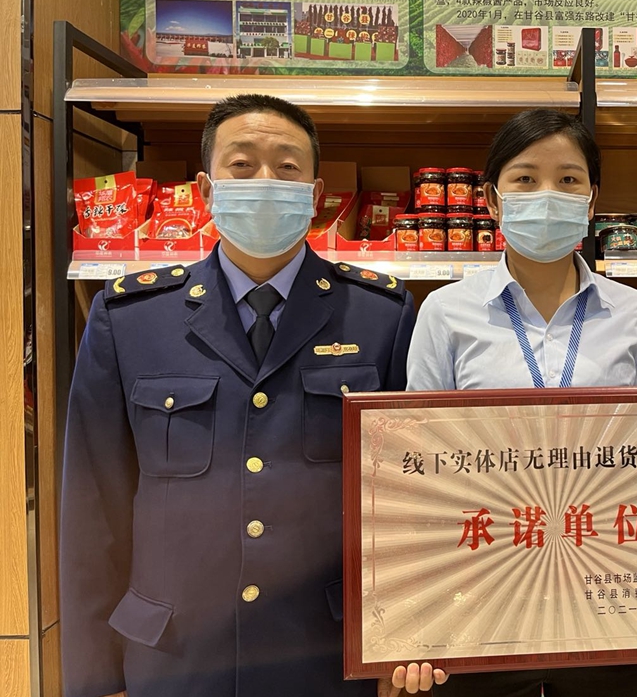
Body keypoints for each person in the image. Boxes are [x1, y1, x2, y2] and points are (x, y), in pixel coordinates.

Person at [60, 94, 415, 697]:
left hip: (327, 652)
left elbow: (405, 504)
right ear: (205, 189)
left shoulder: (381, 315)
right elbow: (94, 512)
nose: (266, 181)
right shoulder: (129, 317)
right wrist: (93, 679)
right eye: (242, 165)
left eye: (287, 167)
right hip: (172, 655)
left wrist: (401, 640)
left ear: (315, 193)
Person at [395, 108, 637, 697]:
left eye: (569, 179)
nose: (547, 194)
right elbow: (419, 468)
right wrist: (414, 615)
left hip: (606, 597)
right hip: (479, 597)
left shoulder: (634, 313)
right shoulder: (445, 312)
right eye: (526, 179)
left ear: (592, 199)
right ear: (493, 199)